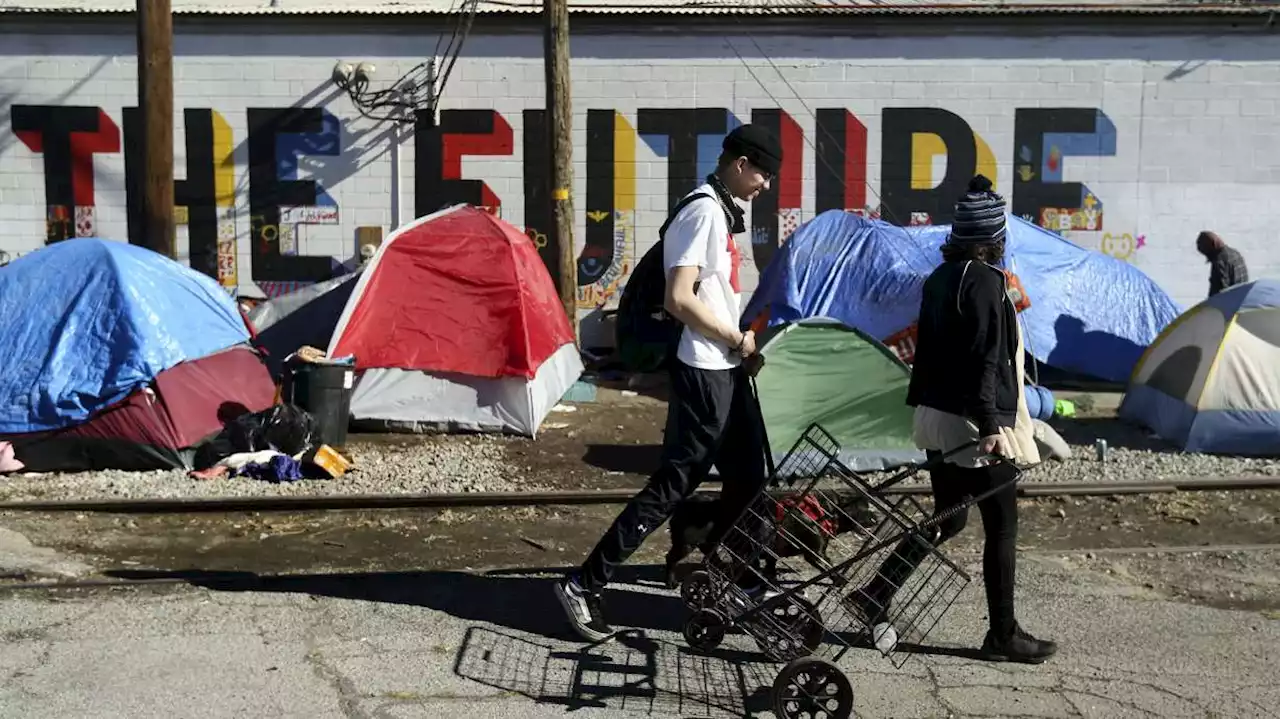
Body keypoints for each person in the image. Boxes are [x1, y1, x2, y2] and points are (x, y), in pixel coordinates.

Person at [555, 124, 783, 642]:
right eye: (764, 172)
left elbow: (711, 291)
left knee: (750, 475)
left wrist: (737, 343)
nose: (766, 184)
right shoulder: (703, 210)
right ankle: (583, 584)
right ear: (741, 163)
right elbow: (680, 297)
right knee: (675, 483)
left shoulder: (719, 211)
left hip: (725, 363)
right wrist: (735, 337)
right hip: (704, 366)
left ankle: (739, 582)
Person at [843, 175, 1058, 664]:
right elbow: (984, 358)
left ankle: (876, 591)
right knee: (1002, 527)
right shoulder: (985, 282)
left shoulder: (941, 278)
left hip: (936, 416)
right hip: (971, 421)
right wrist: (990, 428)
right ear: (993, 238)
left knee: (951, 516)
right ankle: (1002, 634)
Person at [1196, 231, 1248, 296]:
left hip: (1228, 302)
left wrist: (1210, 303)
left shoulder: (1219, 261)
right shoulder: (1235, 253)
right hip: (1242, 298)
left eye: (1206, 253)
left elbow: (1220, 290)